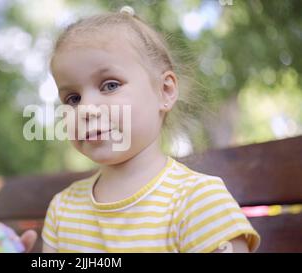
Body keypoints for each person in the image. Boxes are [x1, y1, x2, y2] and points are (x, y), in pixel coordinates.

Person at [21, 6, 260, 253]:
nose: (86, 109)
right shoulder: (63, 209)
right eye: (72, 98)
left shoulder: (198, 201)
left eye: (110, 85)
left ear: (164, 91)